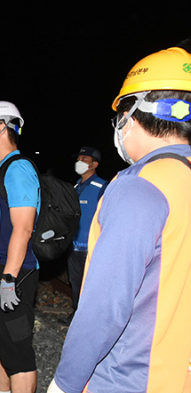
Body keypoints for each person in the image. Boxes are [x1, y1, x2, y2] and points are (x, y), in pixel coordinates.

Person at [48, 45, 191, 393]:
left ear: (134, 113)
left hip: (130, 378)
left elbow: (104, 307)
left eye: (120, 116)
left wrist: (65, 382)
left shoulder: (138, 186)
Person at [0, 101, 40, 393]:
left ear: (0, 127)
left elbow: (23, 228)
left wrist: (9, 279)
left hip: (13, 272)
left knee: (17, 351)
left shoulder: (18, 168)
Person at [57, 146, 108, 326]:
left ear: (94, 164)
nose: (79, 162)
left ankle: (93, 321)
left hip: (92, 248)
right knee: (76, 282)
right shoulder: (76, 187)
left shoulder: (102, 187)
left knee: (92, 286)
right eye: (78, 159)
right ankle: (78, 315)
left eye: (84, 159)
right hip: (73, 246)